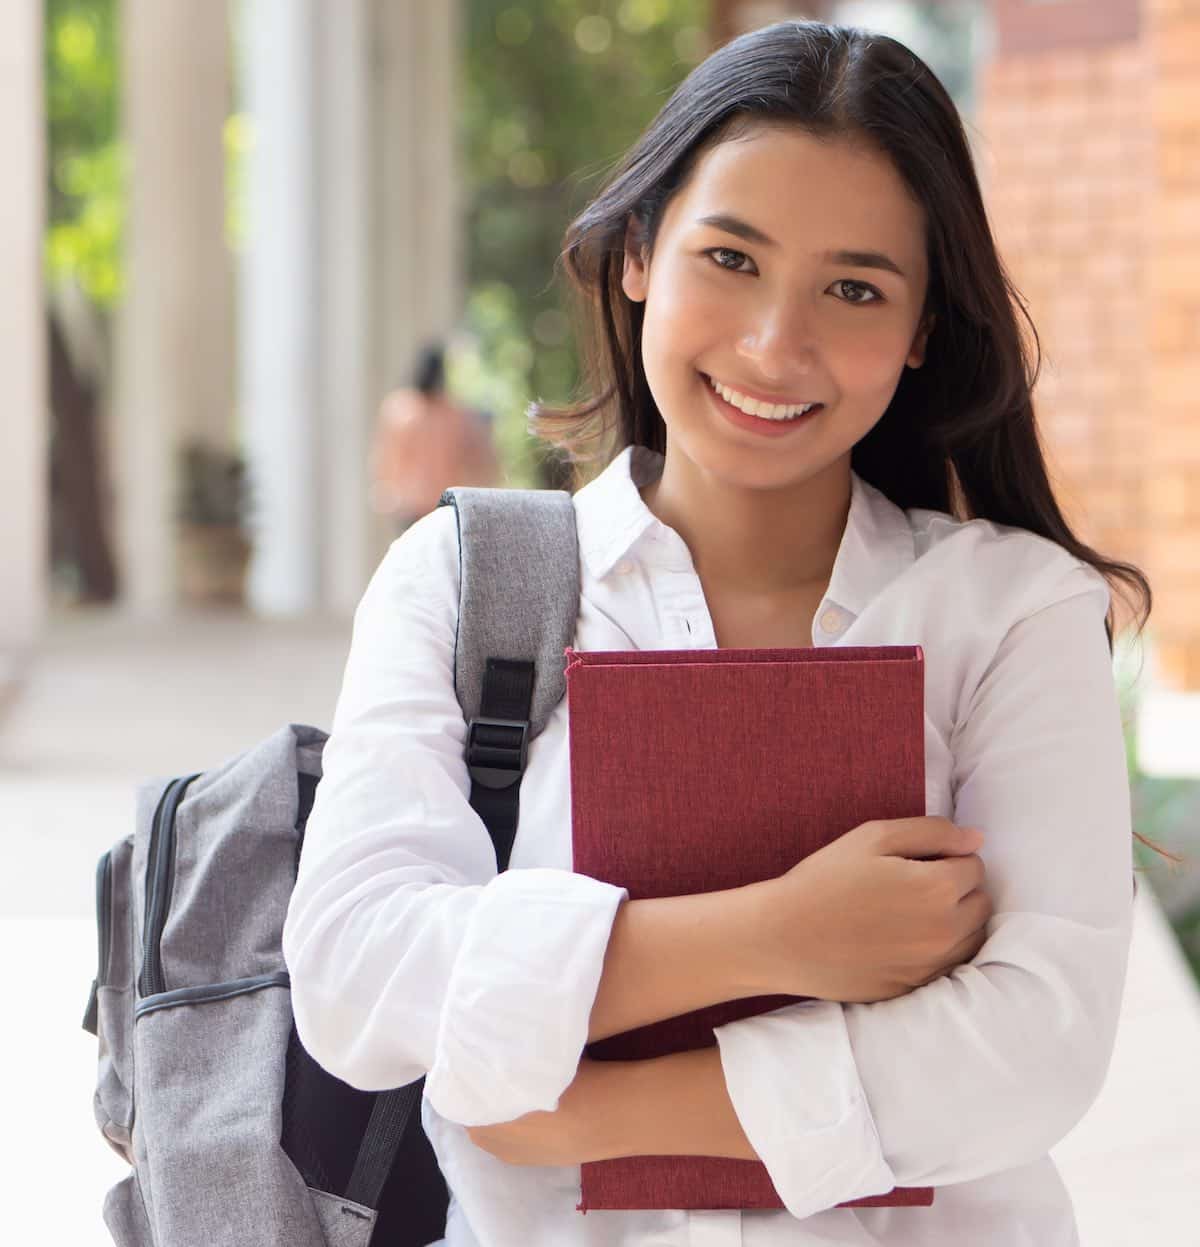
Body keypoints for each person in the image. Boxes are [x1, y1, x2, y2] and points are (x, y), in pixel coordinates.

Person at [283, 20, 1159, 1246]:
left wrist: (589, 1109)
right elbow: (356, 974)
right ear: (639, 253)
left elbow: (1033, 1051)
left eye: (853, 288)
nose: (773, 343)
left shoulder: (1009, 612)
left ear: (918, 332)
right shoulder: (466, 581)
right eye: (731, 259)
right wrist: (780, 930)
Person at [369, 339, 502, 530]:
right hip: (438, 504)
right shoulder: (453, 413)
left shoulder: (401, 408)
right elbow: (480, 457)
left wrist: (385, 490)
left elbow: (386, 456)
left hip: (413, 504)